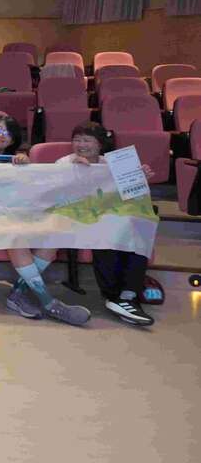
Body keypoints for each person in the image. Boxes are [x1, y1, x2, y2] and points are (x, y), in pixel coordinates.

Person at [63, 122, 155, 326]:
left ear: (100, 144)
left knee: (140, 225)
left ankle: (128, 294)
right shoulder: (65, 162)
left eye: (87, 140)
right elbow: (54, 193)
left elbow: (132, 196)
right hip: (77, 216)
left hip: (109, 215)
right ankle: (114, 295)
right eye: (77, 140)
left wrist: (140, 178)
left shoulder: (113, 164)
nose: (81, 145)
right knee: (106, 228)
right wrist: (72, 171)